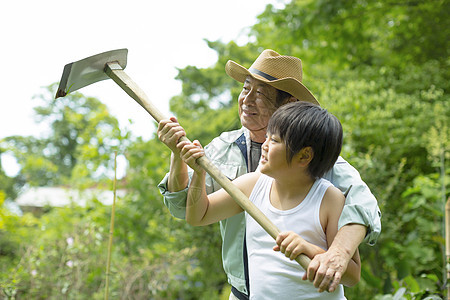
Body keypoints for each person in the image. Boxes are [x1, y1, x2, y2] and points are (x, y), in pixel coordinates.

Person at [157, 49, 381, 299]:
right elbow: (187, 210)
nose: (247, 100)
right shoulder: (223, 150)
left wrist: (335, 254)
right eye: (245, 89)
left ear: (289, 104)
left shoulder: (320, 160)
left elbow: (365, 206)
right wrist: (177, 156)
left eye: (260, 93)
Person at [178, 101, 361, 299]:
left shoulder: (329, 199)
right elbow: (199, 216)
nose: (264, 146)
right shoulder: (252, 186)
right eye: (267, 137)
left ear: (304, 155)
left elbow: (352, 275)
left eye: (274, 141)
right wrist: (198, 173)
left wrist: (309, 249)